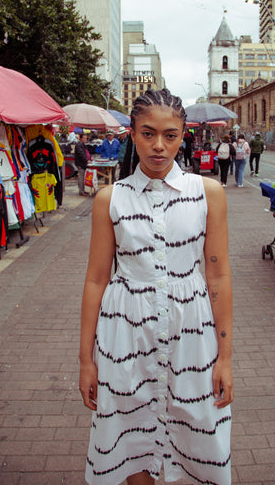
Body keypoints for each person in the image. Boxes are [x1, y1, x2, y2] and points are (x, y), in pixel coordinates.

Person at [79, 88, 233, 485]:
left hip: (192, 334)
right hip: (124, 334)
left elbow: (217, 276)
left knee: (199, 433)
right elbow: (96, 279)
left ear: (184, 136)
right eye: (148, 134)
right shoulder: (109, 199)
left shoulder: (208, 194)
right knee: (130, 434)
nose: (159, 146)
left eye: (170, 135)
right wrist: (84, 361)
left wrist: (226, 358)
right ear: (132, 133)